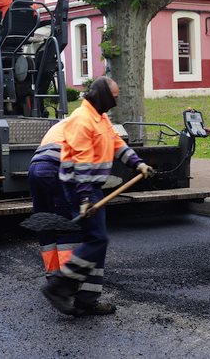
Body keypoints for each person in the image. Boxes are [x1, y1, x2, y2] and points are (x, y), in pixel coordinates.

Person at [43, 77, 155, 316]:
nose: (115, 101)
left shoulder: (100, 117)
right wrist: (84, 200)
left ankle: (87, 299)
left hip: (91, 187)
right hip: (78, 188)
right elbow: (81, 163)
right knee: (96, 240)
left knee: (96, 242)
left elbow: (116, 143)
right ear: (103, 96)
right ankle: (58, 286)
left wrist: (138, 163)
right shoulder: (81, 120)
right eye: (114, 96)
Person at [28, 118, 76, 281]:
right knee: (64, 225)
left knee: (45, 222)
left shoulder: (63, 124)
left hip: (34, 168)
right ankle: (65, 279)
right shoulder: (87, 126)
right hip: (53, 168)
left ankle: (52, 274)